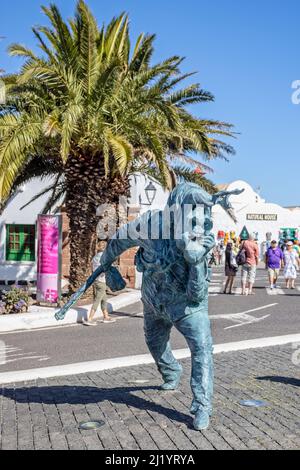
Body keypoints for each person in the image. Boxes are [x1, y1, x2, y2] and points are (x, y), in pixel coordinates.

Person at [84, 241, 116, 326]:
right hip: (102, 281)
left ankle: (106, 317)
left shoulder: (95, 257)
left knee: (104, 299)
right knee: (97, 300)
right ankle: (90, 318)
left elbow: (92, 268)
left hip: (96, 280)